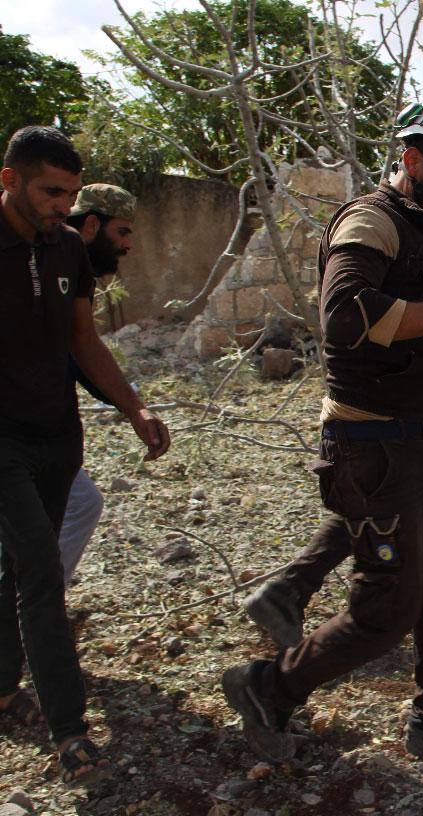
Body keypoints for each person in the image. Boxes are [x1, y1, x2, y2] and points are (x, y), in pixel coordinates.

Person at [222, 101, 423, 762]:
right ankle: (268, 687)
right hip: (372, 448)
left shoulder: (415, 227)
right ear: (413, 160)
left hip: (412, 439)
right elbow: (347, 318)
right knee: (384, 612)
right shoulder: (370, 220)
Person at [0, 126, 169, 785]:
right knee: (42, 569)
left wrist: (134, 407)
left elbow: (83, 339)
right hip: (2, 440)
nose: (63, 206)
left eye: (71, 194)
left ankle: (3, 684)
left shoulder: (68, 245)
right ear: (9, 179)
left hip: (56, 435)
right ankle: (69, 730)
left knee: (21, 567)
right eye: (51, 191)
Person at [57, 183, 139, 582]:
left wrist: (132, 406)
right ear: (92, 225)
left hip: (38, 424)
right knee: (79, 505)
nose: (127, 246)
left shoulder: (72, 269)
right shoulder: (52, 261)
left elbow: (80, 349)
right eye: (122, 232)